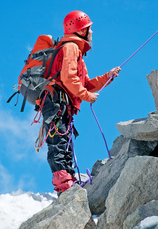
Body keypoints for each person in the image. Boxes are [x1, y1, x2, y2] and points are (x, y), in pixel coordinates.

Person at [40, 10, 121, 193]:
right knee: (59, 143)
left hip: (61, 103)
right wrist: (86, 96)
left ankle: (69, 183)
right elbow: (69, 79)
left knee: (64, 142)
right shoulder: (71, 48)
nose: (91, 32)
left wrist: (108, 77)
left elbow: (85, 84)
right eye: (88, 28)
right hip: (56, 102)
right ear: (80, 30)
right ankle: (64, 187)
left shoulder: (75, 51)